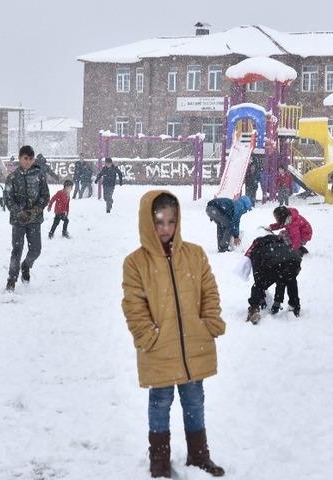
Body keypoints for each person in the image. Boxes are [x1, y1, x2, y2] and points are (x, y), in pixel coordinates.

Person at [122, 191, 226, 478]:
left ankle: (199, 454)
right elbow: (133, 304)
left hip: (195, 344)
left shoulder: (194, 254)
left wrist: (209, 321)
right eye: (159, 222)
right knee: (160, 403)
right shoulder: (136, 263)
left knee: (194, 399)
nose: (165, 228)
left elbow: (209, 291)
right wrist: (148, 337)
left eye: (171, 221)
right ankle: (159, 459)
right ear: (147, 222)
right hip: (158, 349)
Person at [4, 145, 49, 292]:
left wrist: (33, 211)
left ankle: (26, 266)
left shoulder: (39, 176)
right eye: (25, 158)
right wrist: (19, 213)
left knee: (36, 250)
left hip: (34, 220)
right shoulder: (12, 177)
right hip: (18, 221)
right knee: (17, 250)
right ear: (20, 158)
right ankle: (11, 280)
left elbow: (45, 196)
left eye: (31, 159)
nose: (28, 161)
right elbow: (8, 199)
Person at [244, 234, 302, 323]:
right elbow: (281, 279)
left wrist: (261, 298)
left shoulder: (256, 250)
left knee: (258, 285)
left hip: (273, 263)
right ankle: (294, 306)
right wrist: (277, 301)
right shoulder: (280, 243)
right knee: (290, 279)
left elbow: (258, 278)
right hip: (294, 260)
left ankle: (254, 309)